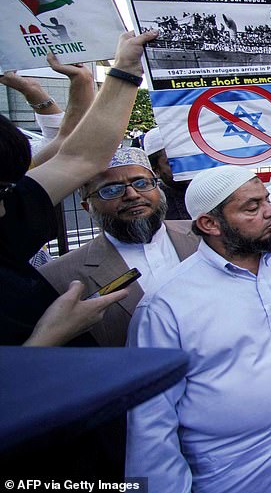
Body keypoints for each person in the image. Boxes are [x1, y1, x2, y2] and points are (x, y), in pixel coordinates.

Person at [126, 166, 271, 493]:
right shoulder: (165, 307)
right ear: (209, 224)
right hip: (241, 478)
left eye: (267, 200)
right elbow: (150, 423)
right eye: (252, 207)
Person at [2, 30, 157, 348]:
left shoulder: (9, 212)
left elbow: (80, 156)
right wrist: (49, 337)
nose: (10, 203)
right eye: (3, 190)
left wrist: (126, 69)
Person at [39, 147, 198, 347]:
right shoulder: (58, 278)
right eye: (111, 190)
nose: (132, 194)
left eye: (141, 183)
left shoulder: (206, 238)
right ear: (88, 206)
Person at [143, 127, 191, 221]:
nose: (185, 164)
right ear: (155, 171)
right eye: (173, 162)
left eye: (186, 157)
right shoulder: (153, 206)